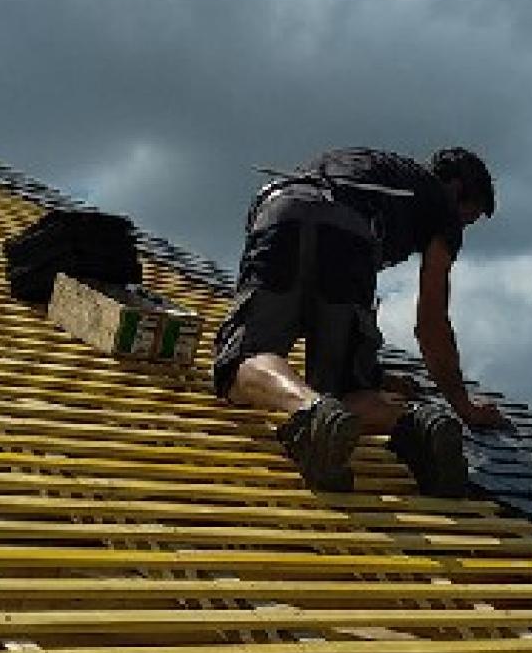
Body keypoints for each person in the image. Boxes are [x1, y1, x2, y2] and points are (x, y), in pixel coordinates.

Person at [213, 145, 509, 495]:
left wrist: (378, 375)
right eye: (466, 218)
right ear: (457, 190)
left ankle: (312, 410)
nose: (460, 228)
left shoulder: (376, 168)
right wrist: (463, 406)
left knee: (248, 357)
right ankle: (415, 423)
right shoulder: (440, 206)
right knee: (346, 391)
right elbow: (432, 321)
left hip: (281, 211)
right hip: (350, 235)